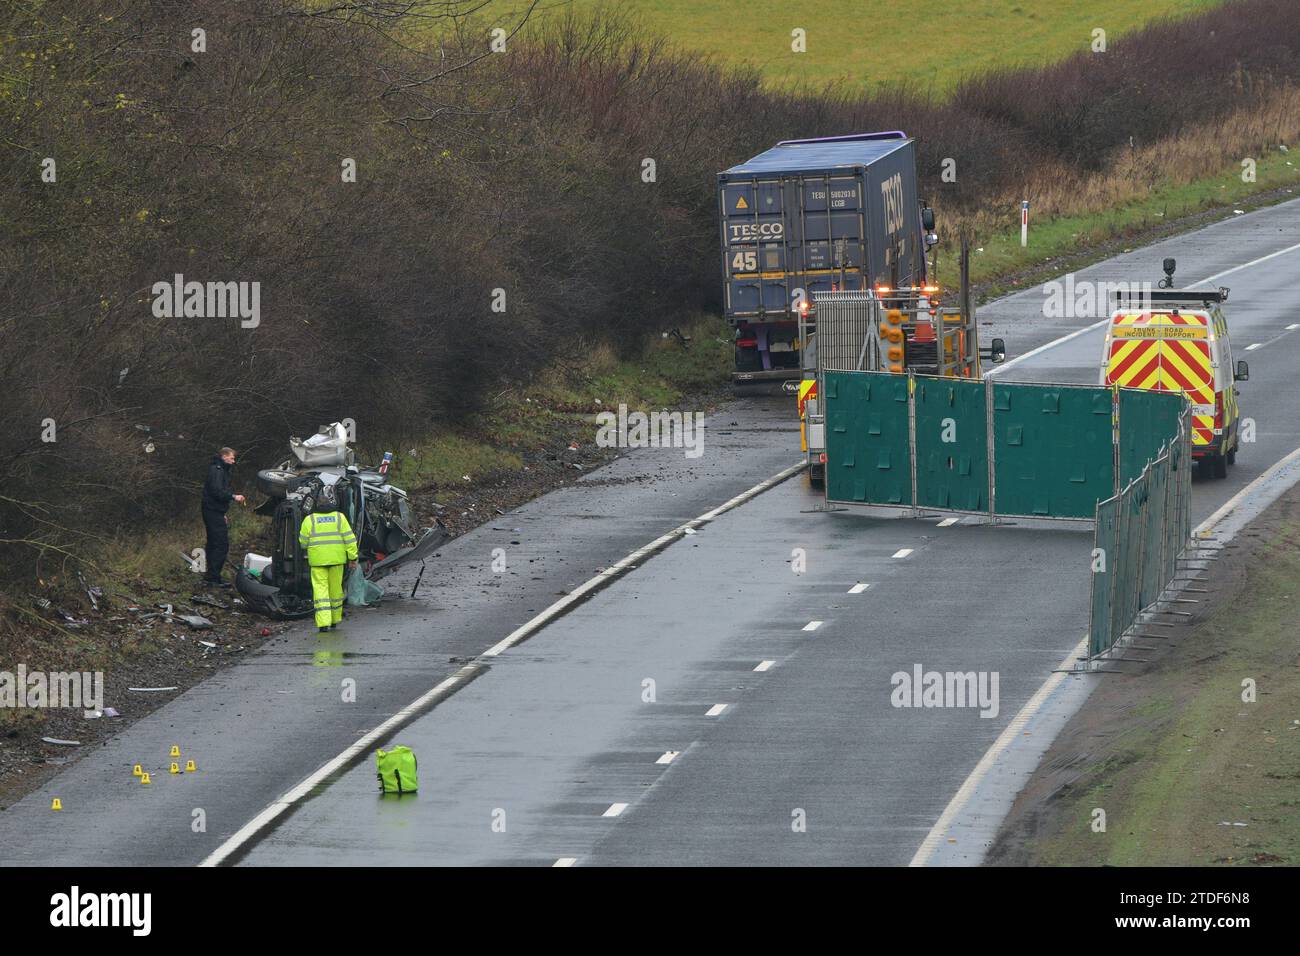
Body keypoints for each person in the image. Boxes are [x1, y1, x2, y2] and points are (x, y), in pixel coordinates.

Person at [298, 483, 359, 633]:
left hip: (318, 561)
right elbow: (350, 540)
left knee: (320, 591)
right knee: (335, 590)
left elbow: (303, 542)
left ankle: (323, 623)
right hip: (336, 561)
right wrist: (353, 558)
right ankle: (334, 620)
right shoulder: (340, 518)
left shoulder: (310, 520)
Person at [201, 447, 246, 588]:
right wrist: (234, 496)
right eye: (232, 458)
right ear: (224, 456)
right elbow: (217, 492)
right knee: (221, 544)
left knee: (214, 542)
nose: (233, 462)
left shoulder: (221, 470)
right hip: (212, 511)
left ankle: (211, 575)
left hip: (215, 511)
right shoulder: (217, 470)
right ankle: (213, 577)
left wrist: (222, 513)